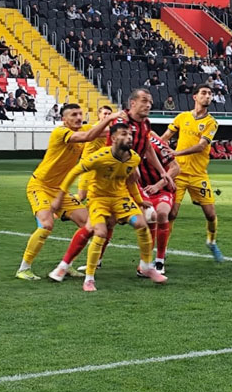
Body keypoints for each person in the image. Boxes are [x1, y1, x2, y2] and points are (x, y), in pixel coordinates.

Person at [50, 123, 166, 291]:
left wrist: (139, 201)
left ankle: (147, 267)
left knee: (142, 224)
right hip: (99, 199)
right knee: (100, 232)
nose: (129, 138)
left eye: (130, 135)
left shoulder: (134, 158)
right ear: (113, 138)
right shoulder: (99, 157)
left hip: (121, 198)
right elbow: (74, 172)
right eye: (124, 134)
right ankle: (89, 278)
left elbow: (130, 181)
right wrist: (60, 196)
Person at [14, 104, 120, 280]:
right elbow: (88, 135)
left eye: (80, 114)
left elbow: (107, 132)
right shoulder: (60, 132)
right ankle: (23, 269)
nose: (78, 117)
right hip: (40, 186)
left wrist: (128, 122)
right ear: (64, 119)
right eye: (73, 115)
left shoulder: (83, 129)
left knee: (91, 225)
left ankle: (67, 265)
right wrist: (109, 118)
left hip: (60, 190)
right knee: (47, 225)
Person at [161, 85, 223, 261]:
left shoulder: (211, 122)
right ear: (194, 97)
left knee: (210, 214)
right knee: (172, 213)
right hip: (178, 173)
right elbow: (165, 137)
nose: (208, 96)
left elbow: (202, 146)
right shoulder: (182, 117)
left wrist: (176, 152)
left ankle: (211, 241)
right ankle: (162, 252)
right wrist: (155, 146)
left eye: (210, 94)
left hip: (198, 175)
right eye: (204, 93)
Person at [142, 132, 181, 273]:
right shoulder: (124, 142)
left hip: (162, 189)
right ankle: (96, 263)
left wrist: (157, 185)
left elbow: (175, 167)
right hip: (140, 191)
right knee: (109, 220)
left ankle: (159, 261)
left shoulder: (157, 143)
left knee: (162, 214)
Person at [77, 106, 114, 202]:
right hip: (88, 164)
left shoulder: (110, 129)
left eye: (109, 114)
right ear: (99, 115)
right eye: (105, 114)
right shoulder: (96, 128)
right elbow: (107, 132)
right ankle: (58, 209)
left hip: (100, 166)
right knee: (82, 196)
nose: (107, 116)